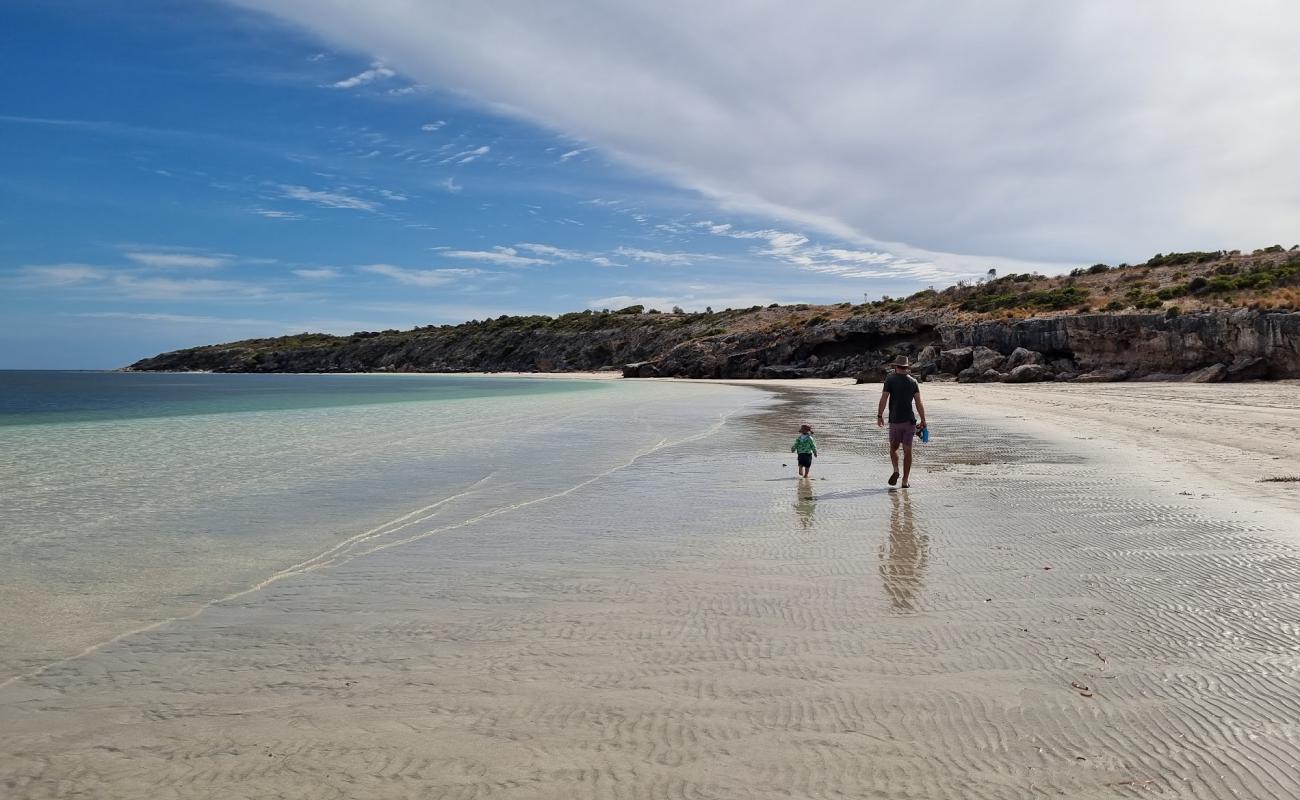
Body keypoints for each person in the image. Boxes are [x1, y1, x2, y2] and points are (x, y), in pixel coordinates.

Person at [876, 356, 927, 488]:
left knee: (893, 448)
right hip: (909, 421)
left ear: (896, 367)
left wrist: (879, 415)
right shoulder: (913, 381)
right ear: (907, 367)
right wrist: (923, 420)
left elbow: (884, 398)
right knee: (907, 450)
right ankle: (905, 481)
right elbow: (918, 402)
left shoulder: (890, 379)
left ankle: (896, 470)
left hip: (895, 421)